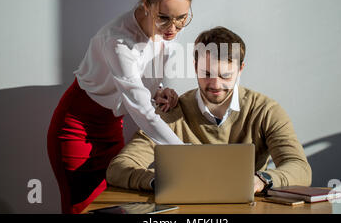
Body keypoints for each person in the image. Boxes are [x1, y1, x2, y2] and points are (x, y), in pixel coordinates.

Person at [47, 0, 193, 214]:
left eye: (182, 18)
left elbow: (139, 87)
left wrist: (158, 92)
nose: (173, 28)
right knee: (81, 209)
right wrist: (184, 154)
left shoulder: (166, 34)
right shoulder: (117, 40)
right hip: (77, 129)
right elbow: (140, 109)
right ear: (146, 5)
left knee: (116, 208)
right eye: (164, 18)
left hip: (112, 127)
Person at [106, 26, 312, 194]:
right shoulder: (172, 112)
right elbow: (119, 168)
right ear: (195, 67)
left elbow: (300, 168)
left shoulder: (266, 111)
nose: (215, 84)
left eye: (225, 76)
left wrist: (261, 179)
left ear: (240, 69)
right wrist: (158, 182)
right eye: (206, 73)